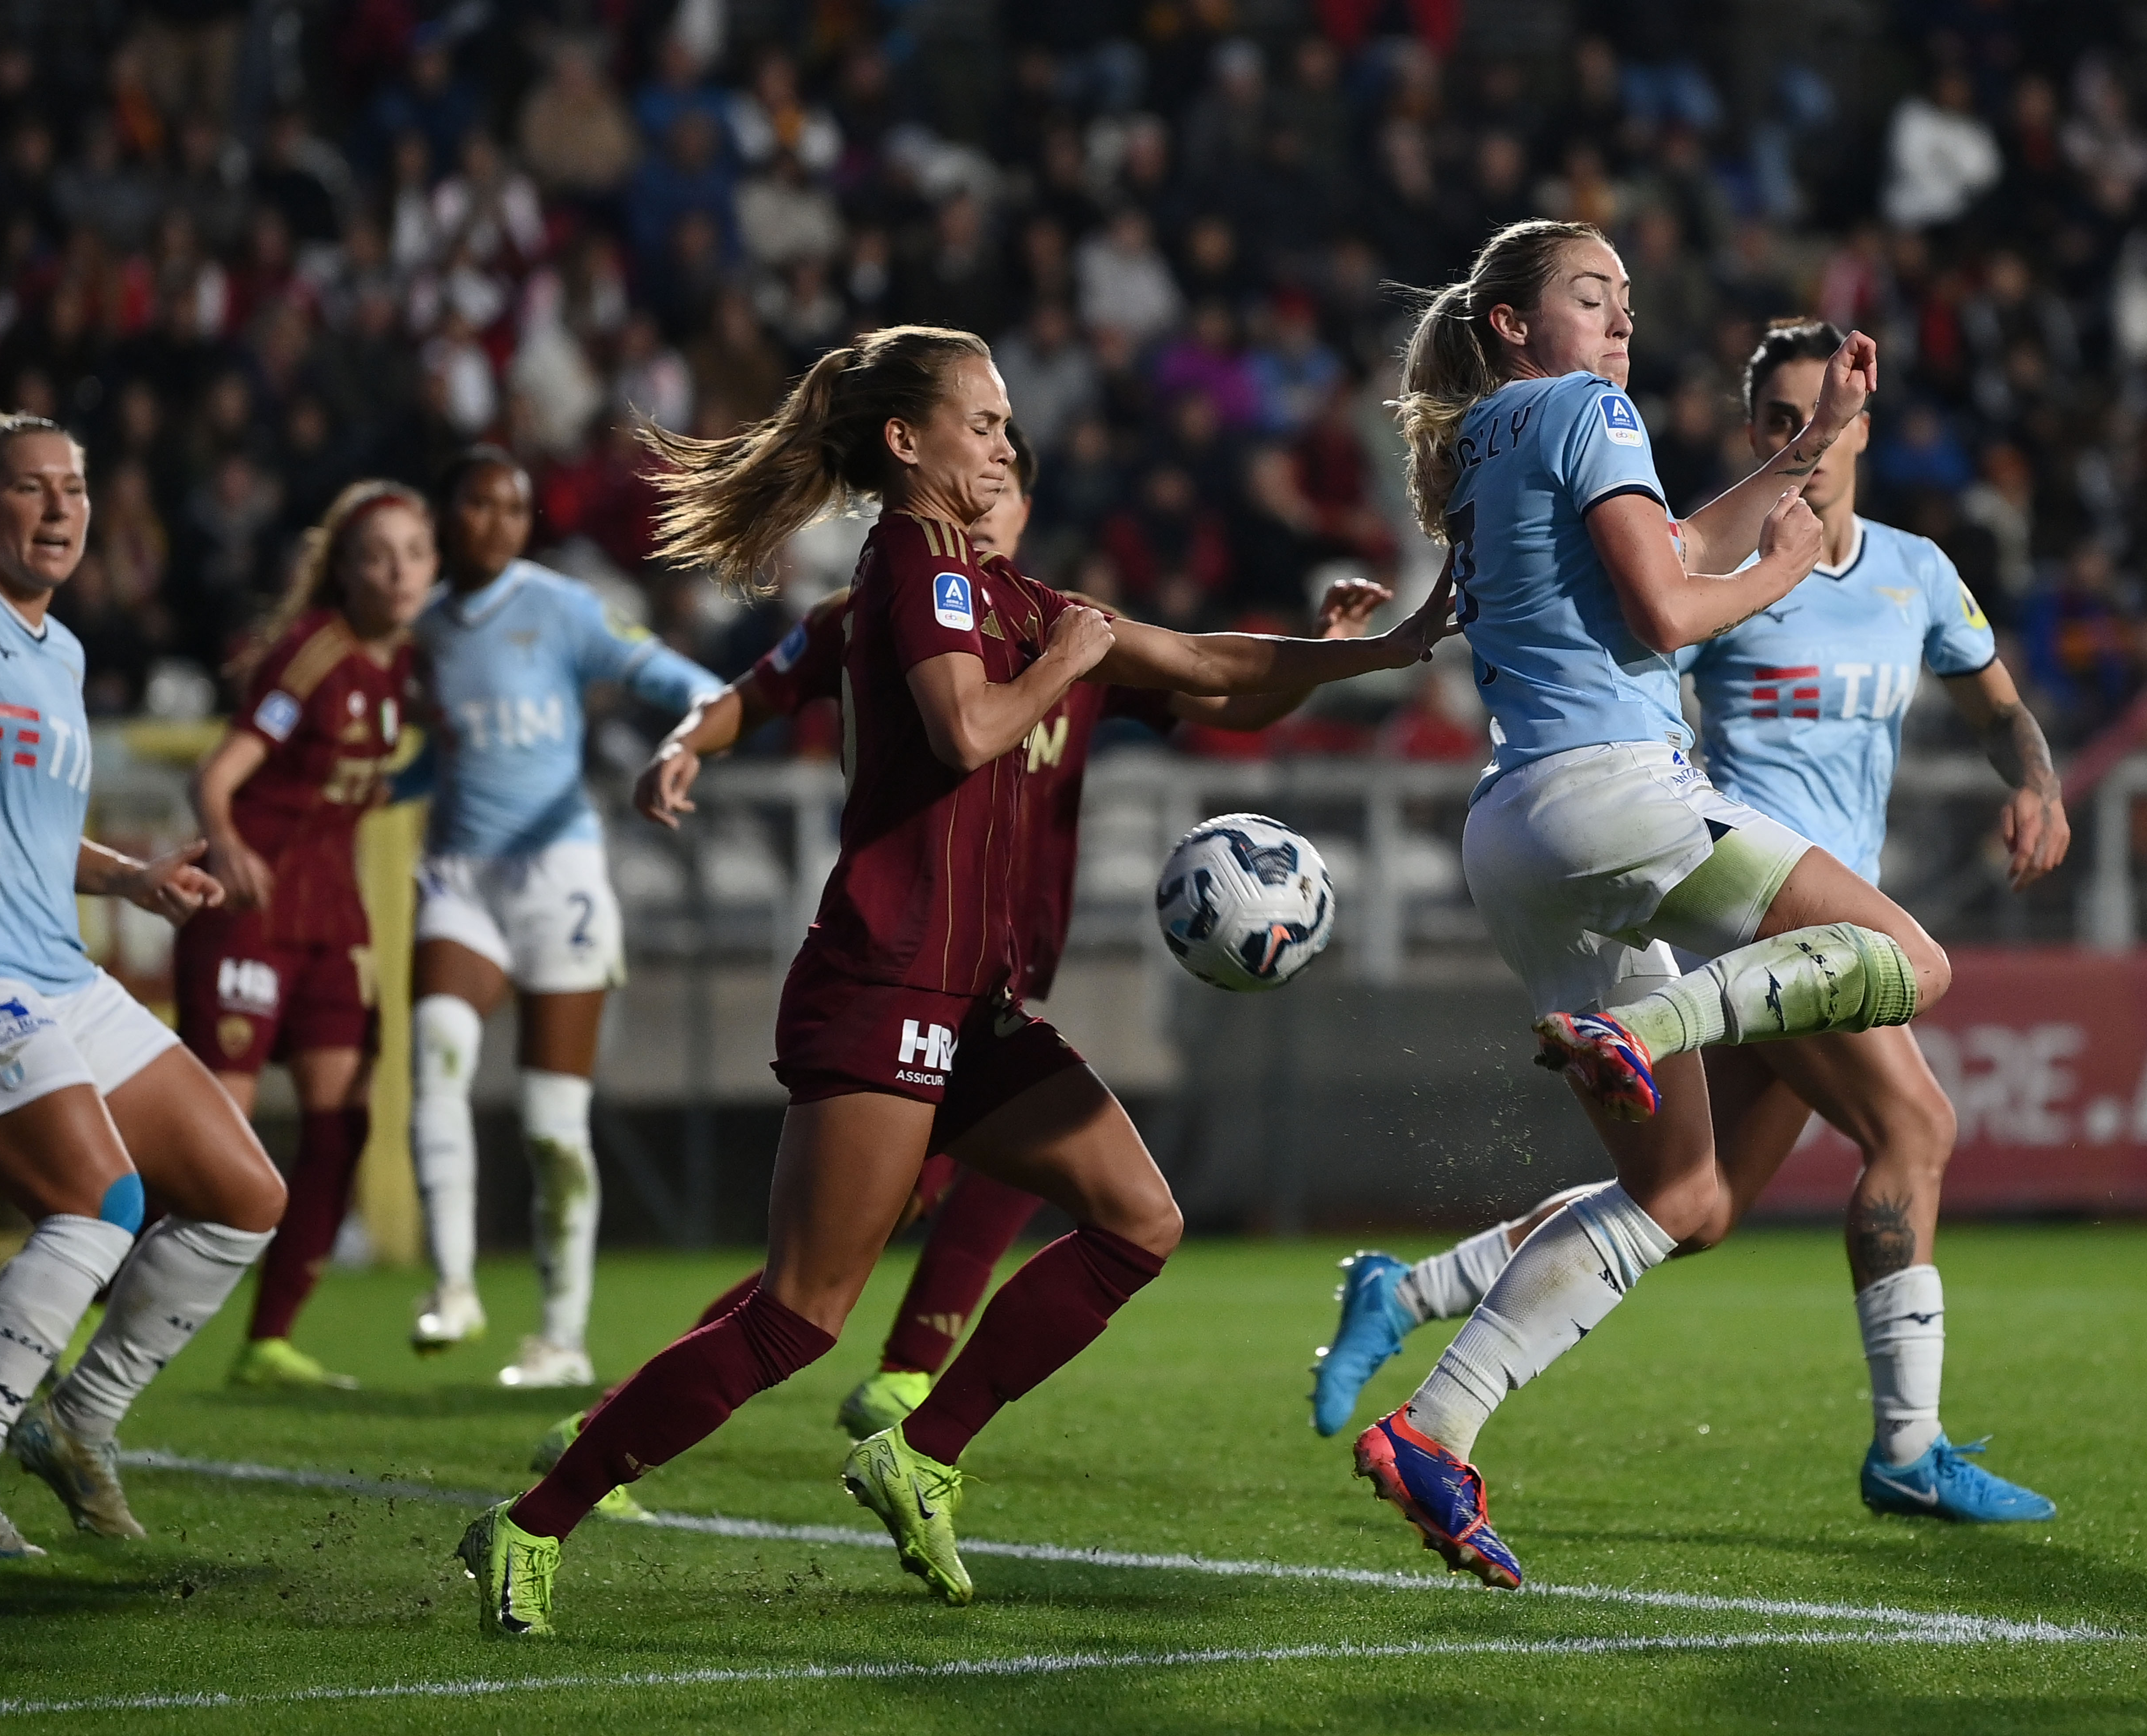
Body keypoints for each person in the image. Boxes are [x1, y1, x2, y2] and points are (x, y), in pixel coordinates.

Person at [453, 324, 1454, 1637]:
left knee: (1140, 1223)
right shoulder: (914, 565)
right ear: (905, 442)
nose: (1000, 439)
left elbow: (1214, 672)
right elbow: (969, 727)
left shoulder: (1022, 600)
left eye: (1003, 423)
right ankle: (530, 1525)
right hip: (885, 987)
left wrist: (1388, 652)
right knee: (798, 1319)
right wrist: (1070, 662)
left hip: (978, 1003)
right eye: (979, 420)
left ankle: (920, 1449)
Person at [1313, 318, 2067, 1527]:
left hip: (1816, 936)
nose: (1798, 443)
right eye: (1774, 421)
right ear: (1753, 428)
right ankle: (1909, 1448)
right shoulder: (1724, 567)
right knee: (1918, 1124)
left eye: (1817, 419)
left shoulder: (1916, 573)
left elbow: (1997, 702)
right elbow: (1619, 622)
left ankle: (1408, 1299)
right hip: (1725, 899)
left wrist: (2033, 779)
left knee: (1695, 1205)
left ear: (1860, 426)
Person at [0, 413, 285, 1555]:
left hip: (56, 966)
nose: (63, 510)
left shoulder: (56, 651)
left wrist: (134, 879)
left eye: (74, 488)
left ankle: (79, 1421)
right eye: (30, 488)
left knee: (243, 1194)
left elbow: (34, 828)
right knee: (98, 1199)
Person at [403, 446, 724, 1388]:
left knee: (551, 1122)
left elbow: (691, 684)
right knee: (435, 1054)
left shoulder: (562, 608)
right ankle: (454, 1284)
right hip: (460, 877)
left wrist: (680, 746)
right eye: (477, 502)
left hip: (560, 875)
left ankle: (560, 1335)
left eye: (512, 506)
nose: (495, 520)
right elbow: (441, 757)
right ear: (445, 513)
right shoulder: (417, 629)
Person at [181, 481, 434, 1392]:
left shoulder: (411, 662)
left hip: (333, 919)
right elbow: (219, 776)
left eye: (412, 551)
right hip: (253, 908)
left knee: (342, 1124)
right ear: (345, 569)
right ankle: (84, 1297)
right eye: (377, 554)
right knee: (213, 1133)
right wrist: (232, 844)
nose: (397, 570)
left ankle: (268, 1339)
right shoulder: (312, 653)